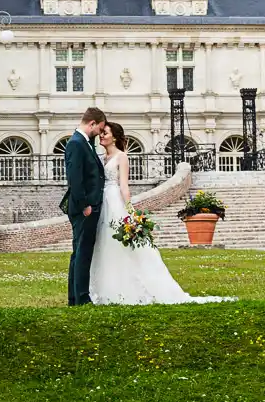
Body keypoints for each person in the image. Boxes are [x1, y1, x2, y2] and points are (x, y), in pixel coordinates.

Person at [90, 119, 232, 305]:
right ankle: (107, 286)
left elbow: (124, 186)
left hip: (115, 201)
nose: (102, 136)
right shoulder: (102, 157)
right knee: (105, 243)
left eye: (105, 133)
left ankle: (131, 287)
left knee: (121, 243)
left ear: (115, 138)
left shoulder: (121, 157)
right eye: (102, 133)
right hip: (103, 200)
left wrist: (130, 211)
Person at [62, 106, 107, 306]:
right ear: (92, 124)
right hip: (84, 207)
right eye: (99, 129)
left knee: (78, 251)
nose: (99, 133)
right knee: (83, 252)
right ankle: (81, 297)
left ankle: (75, 297)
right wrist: (85, 205)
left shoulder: (84, 143)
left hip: (87, 205)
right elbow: (75, 178)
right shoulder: (76, 143)